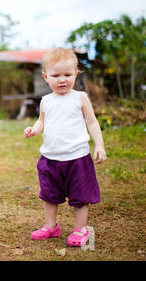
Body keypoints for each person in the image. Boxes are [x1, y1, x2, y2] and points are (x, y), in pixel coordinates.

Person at [24, 47, 106, 247]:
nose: (62, 79)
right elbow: (42, 122)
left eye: (68, 75)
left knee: (80, 196)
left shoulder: (80, 98)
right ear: (46, 76)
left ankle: (80, 229)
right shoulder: (46, 101)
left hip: (77, 158)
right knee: (49, 195)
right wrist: (34, 130)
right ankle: (51, 226)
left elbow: (92, 122)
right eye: (56, 75)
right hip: (50, 158)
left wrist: (100, 145)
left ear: (76, 74)